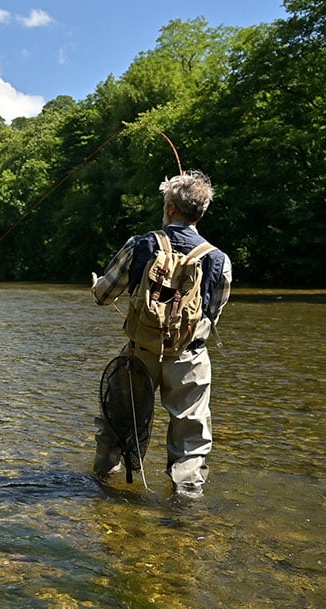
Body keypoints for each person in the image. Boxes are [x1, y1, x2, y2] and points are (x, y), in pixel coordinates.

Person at [90, 170, 232, 498]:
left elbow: (103, 296)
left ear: (170, 208)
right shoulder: (219, 260)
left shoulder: (140, 245)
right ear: (202, 211)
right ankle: (184, 511)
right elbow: (213, 314)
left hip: (140, 354)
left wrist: (95, 284)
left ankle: (105, 492)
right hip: (190, 356)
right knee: (191, 439)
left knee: (119, 424)